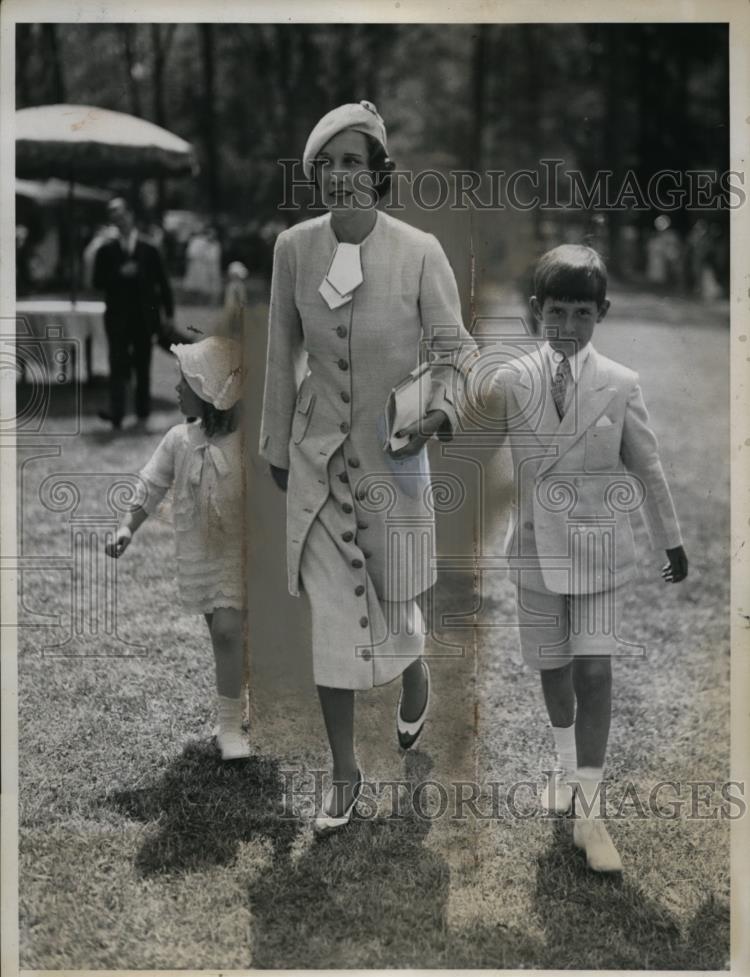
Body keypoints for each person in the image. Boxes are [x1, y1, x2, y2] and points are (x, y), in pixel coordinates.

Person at [259, 101, 478, 834]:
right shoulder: (292, 247)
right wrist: (276, 449)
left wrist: (441, 414)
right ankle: (344, 773)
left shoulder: (419, 251)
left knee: (394, 597)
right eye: (329, 162)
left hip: (394, 460)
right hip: (319, 461)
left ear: (377, 174)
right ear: (314, 173)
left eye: (356, 162)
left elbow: (456, 352)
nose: (342, 175)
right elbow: (280, 353)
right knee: (330, 617)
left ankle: (413, 673)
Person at [482, 244, 688, 872]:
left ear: (601, 313)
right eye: (556, 312)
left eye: (581, 313)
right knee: (552, 668)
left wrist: (670, 539)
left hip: (599, 555)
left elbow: (647, 468)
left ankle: (591, 814)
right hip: (536, 553)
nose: (568, 326)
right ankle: (565, 769)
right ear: (537, 310)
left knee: (594, 674)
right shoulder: (512, 379)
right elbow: (470, 441)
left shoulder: (621, 384)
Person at [105, 336, 248, 760]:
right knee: (224, 632)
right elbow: (150, 485)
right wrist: (127, 528)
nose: (177, 389)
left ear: (210, 391)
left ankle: (231, 726)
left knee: (231, 632)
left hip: (245, 554)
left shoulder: (245, 443)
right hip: (203, 555)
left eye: (185, 381)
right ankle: (233, 714)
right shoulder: (178, 440)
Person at [93, 197, 175, 431]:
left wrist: (169, 314)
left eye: (120, 215)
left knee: (143, 365)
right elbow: (96, 281)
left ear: (130, 215)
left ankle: (142, 412)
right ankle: (117, 415)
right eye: (113, 218)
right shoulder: (106, 249)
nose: (117, 221)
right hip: (117, 317)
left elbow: (163, 283)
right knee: (117, 366)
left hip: (143, 317)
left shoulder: (149, 248)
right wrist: (119, 273)